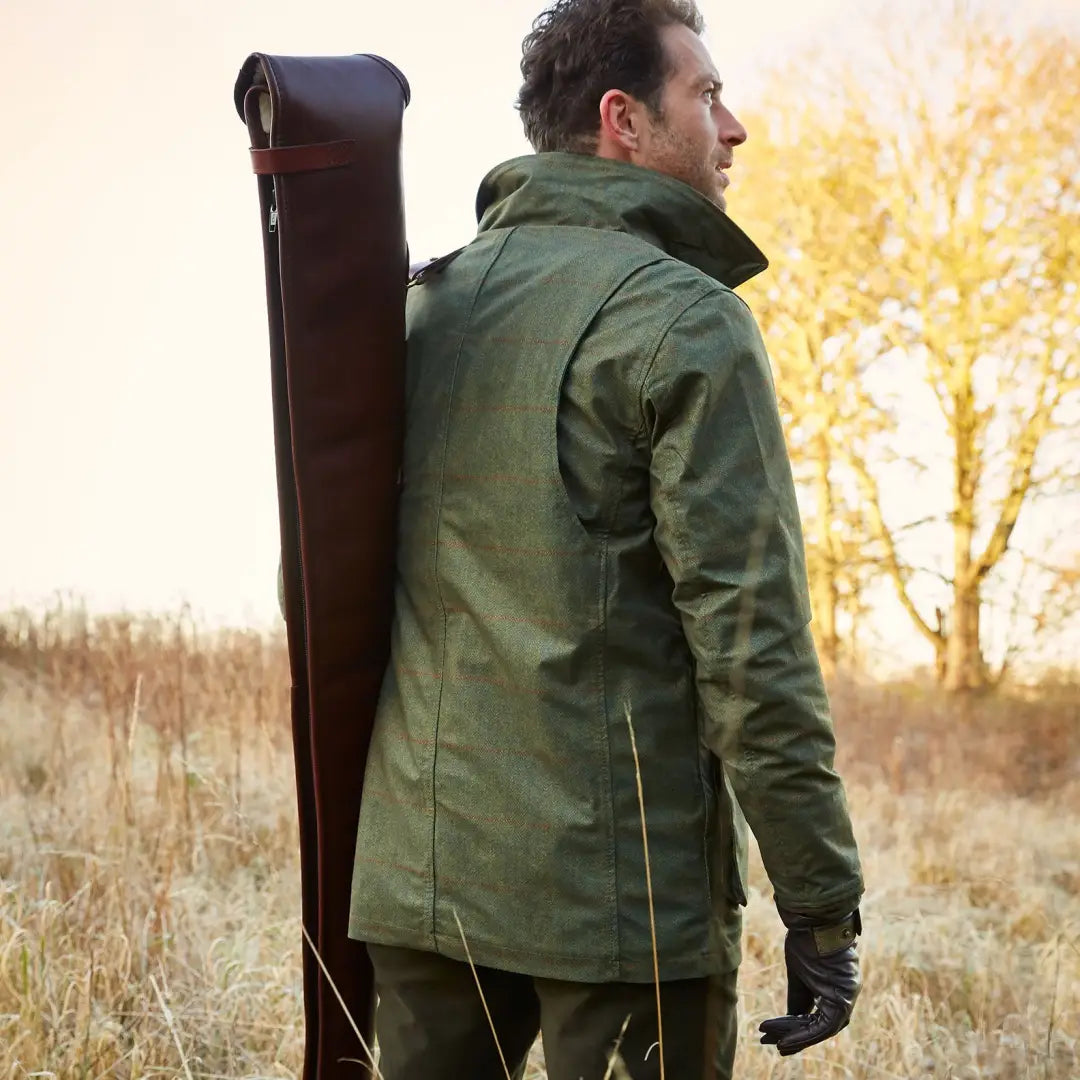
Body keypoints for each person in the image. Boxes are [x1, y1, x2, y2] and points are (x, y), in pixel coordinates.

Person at [347, 1, 864, 1076]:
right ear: (623, 119)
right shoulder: (684, 319)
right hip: (618, 909)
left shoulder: (420, 306)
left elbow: (324, 579)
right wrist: (820, 900)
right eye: (707, 95)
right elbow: (750, 642)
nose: (736, 129)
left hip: (421, 880)